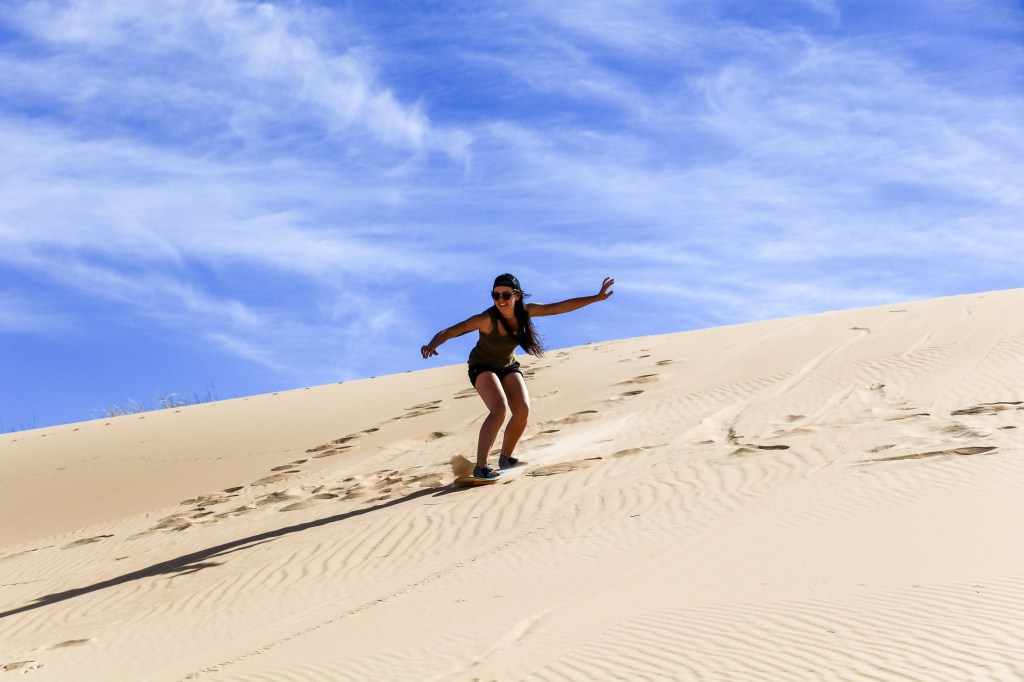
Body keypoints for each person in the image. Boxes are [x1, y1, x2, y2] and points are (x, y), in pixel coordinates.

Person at [421, 274, 615, 479]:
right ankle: (481, 466)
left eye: (506, 294)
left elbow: (561, 307)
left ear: (517, 296)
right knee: (499, 409)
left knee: (522, 409)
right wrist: (432, 344)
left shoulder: (526, 312)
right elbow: (451, 331)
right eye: (495, 295)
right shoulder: (487, 319)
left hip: (507, 366)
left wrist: (596, 297)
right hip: (481, 366)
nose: (500, 300)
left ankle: (505, 457)